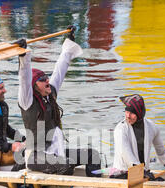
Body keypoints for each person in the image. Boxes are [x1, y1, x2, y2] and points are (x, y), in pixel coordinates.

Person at [15, 26, 101, 176]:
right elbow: (24, 78)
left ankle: (97, 187)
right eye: (42, 79)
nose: (47, 80)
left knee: (92, 154)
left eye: (46, 77)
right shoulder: (27, 101)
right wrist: (23, 55)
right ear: (34, 86)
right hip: (35, 156)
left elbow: (60, 70)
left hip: (55, 151)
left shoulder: (50, 95)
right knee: (66, 166)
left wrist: (68, 42)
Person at [111, 94, 165, 179]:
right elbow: (126, 153)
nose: (128, 116)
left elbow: (159, 147)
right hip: (122, 173)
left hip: (143, 172)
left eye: (132, 113)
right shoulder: (120, 129)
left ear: (140, 113)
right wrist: (141, 172)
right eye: (126, 112)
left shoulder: (152, 127)